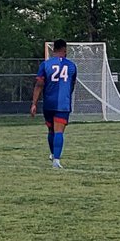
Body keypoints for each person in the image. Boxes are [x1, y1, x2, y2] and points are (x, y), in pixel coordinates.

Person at [31, 39, 76, 169]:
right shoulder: (72, 66)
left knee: (51, 130)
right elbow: (72, 85)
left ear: (53, 50)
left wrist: (34, 103)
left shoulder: (45, 64)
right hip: (63, 103)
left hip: (48, 103)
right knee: (59, 131)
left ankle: (52, 154)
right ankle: (56, 160)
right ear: (65, 50)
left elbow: (39, 85)